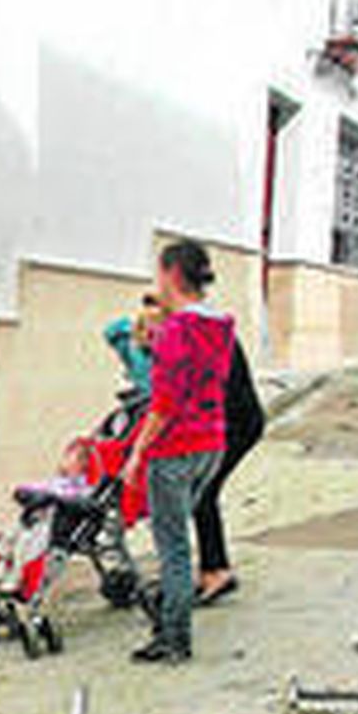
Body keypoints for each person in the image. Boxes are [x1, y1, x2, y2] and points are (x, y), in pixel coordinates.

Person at [119, 240, 232, 665]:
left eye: (158, 273)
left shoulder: (176, 332)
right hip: (212, 443)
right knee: (178, 540)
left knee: (174, 549)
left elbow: (163, 405)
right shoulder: (220, 324)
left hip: (175, 448)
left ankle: (174, 638)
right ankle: (166, 620)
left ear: (171, 274)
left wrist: (135, 456)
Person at [192, 337, 266, 607]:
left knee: (202, 494)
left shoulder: (209, 340)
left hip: (238, 426)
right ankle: (212, 569)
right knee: (201, 494)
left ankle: (217, 571)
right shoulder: (209, 334)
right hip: (231, 423)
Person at [103, 295, 165, 398]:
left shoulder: (174, 349)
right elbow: (112, 331)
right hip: (143, 402)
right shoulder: (130, 347)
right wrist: (134, 329)